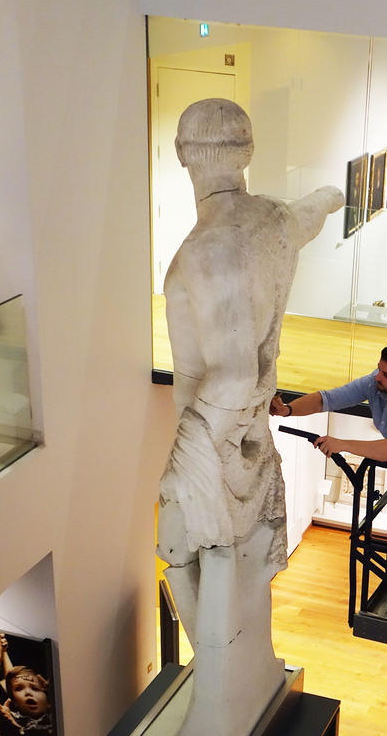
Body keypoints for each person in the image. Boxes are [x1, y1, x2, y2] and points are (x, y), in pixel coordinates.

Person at [157, 98, 344, 735]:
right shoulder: (273, 223)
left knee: (190, 556)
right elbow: (309, 215)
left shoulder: (202, 255)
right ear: (247, 153)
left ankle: (217, 700)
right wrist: (332, 193)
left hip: (215, 434)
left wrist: (193, 449)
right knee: (234, 562)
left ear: (183, 157)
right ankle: (243, 677)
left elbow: (234, 373)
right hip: (249, 432)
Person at [270, 341, 387, 621]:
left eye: (386, 374)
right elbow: (329, 398)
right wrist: (288, 410)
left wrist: (341, 443)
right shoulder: (377, 383)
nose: (378, 378)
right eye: (379, 370)